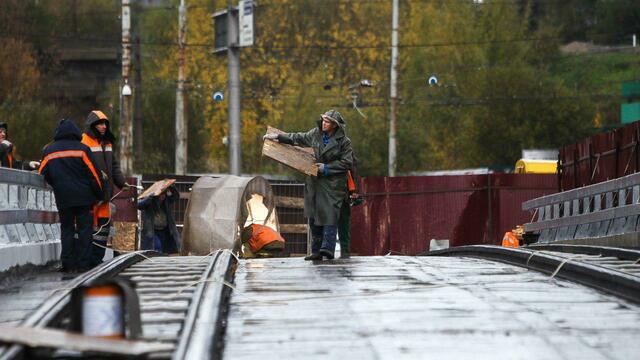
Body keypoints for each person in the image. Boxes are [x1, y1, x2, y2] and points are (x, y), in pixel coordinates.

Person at [263, 109, 353, 261]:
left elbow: (347, 162)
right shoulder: (315, 134)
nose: (324, 123)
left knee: (330, 214)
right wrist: (278, 137)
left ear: (335, 125)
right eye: (323, 120)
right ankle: (316, 250)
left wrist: (327, 168)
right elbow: (298, 137)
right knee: (313, 216)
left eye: (328, 121)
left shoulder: (344, 142)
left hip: (333, 183)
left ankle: (327, 249)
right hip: (315, 181)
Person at [38, 119, 104, 272]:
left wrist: (57, 184)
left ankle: (67, 263)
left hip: (63, 198)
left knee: (66, 229)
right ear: (75, 132)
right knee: (85, 230)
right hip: (84, 198)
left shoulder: (49, 151)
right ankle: (83, 264)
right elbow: (95, 175)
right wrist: (99, 195)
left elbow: (42, 173)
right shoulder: (83, 149)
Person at [81, 110, 127, 266]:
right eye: (100, 124)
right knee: (89, 228)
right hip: (90, 197)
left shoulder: (107, 143)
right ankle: (87, 260)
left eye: (105, 124)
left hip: (105, 197)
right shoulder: (84, 142)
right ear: (92, 125)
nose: (104, 126)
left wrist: (121, 182)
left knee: (103, 230)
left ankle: (96, 260)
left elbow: (113, 165)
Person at [138, 185, 181, 254]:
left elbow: (176, 196)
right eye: (161, 194)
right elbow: (139, 205)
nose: (163, 196)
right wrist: (149, 198)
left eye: (164, 194)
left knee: (165, 249)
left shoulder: (167, 202)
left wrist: (171, 187)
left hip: (164, 230)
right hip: (153, 230)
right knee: (157, 247)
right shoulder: (150, 202)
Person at [337, 155, 364, 259]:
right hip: (334, 193)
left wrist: (354, 193)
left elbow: (354, 174)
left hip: (344, 194)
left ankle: (344, 251)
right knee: (331, 224)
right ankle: (330, 250)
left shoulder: (347, 152)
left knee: (343, 223)